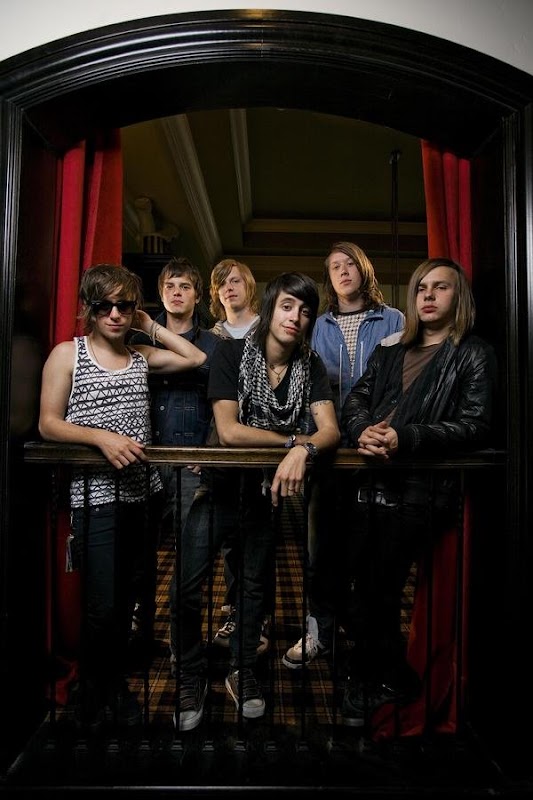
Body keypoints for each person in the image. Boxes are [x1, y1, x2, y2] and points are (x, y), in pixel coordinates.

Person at [38, 263, 207, 730]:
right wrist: (101, 439)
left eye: (124, 306)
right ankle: (99, 694)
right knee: (103, 606)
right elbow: (48, 423)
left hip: (142, 497)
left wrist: (149, 325)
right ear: (89, 310)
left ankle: (111, 687)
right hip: (95, 499)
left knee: (132, 597)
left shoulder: (140, 356)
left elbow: (195, 357)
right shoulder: (67, 354)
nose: (114, 314)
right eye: (104, 306)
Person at [172, 271, 340, 731]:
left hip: (263, 494)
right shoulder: (231, 352)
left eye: (305, 310)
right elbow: (229, 432)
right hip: (218, 487)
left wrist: (306, 450)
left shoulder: (310, 366)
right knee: (187, 587)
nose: (296, 317)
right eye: (287, 306)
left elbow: (330, 431)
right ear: (270, 308)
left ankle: (242, 669)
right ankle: (189, 674)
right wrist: (294, 442)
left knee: (253, 591)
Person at [339, 257, 497, 727]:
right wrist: (362, 429)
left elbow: (476, 425)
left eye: (440, 287)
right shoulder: (391, 349)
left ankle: (384, 678)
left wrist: (406, 438)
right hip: (368, 485)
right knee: (344, 586)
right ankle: (380, 673)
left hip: (418, 493)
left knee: (380, 590)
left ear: (458, 297)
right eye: (422, 287)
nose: (428, 295)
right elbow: (355, 399)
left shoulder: (472, 353)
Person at [282, 242, 404, 669]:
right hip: (329, 447)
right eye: (334, 266)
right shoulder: (317, 325)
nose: (343, 270)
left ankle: (366, 634)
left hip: (377, 447)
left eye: (350, 263)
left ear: (363, 269)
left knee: (371, 548)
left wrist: (383, 429)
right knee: (321, 547)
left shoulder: (393, 319)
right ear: (328, 278)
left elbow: (401, 382)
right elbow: (302, 380)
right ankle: (320, 629)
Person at [128, 257, 219, 660]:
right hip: (144, 461)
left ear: (197, 295)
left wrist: (211, 450)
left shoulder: (213, 343)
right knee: (139, 561)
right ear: (160, 293)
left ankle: (186, 655)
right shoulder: (134, 338)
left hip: (191, 464)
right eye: (169, 286)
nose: (177, 292)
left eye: (185, 286)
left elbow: (224, 400)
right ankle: (140, 640)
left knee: (190, 567)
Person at [206, 259, 265, 651]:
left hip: (262, 444)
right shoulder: (211, 336)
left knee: (259, 533)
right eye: (222, 283)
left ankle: (258, 616)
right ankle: (235, 610)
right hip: (221, 445)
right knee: (228, 535)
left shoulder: (268, 329)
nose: (229, 287)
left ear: (249, 286)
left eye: (236, 281)